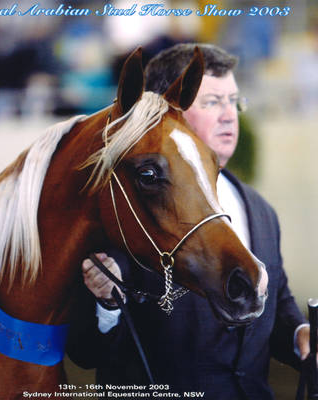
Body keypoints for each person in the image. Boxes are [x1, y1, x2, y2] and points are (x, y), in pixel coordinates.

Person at [66, 43, 311, 400]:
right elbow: (86, 352)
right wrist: (107, 304)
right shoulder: (128, 211)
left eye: (234, 101)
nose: (229, 115)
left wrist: (300, 333)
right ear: (166, 109)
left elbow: (276, 301)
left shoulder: (260, 209)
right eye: (212, 102)